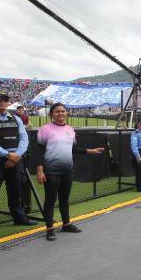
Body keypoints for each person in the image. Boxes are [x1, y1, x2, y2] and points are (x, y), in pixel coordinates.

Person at [36, 103, 104, 241]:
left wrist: (89, 151)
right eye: (57, 111)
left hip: (67, 170)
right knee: (50, 200)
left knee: (64, 199)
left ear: (66, 113)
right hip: (51, 171)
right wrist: (40, 170)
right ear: (51, 114)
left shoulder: (70, 129)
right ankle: (49, 228)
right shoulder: (45, 129)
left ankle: (66, 224)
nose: (60, 113)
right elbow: (39, 151)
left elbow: (72, 149)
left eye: (63, 111)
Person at [0, 90, 37, 239]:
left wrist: (17, 155)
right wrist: (7, 154)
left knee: (15, 192)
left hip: (15, 159)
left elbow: (24, 138)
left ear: (9, 101)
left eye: (5, 99)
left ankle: (19, 219)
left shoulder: (16, 118)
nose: (2, 101)